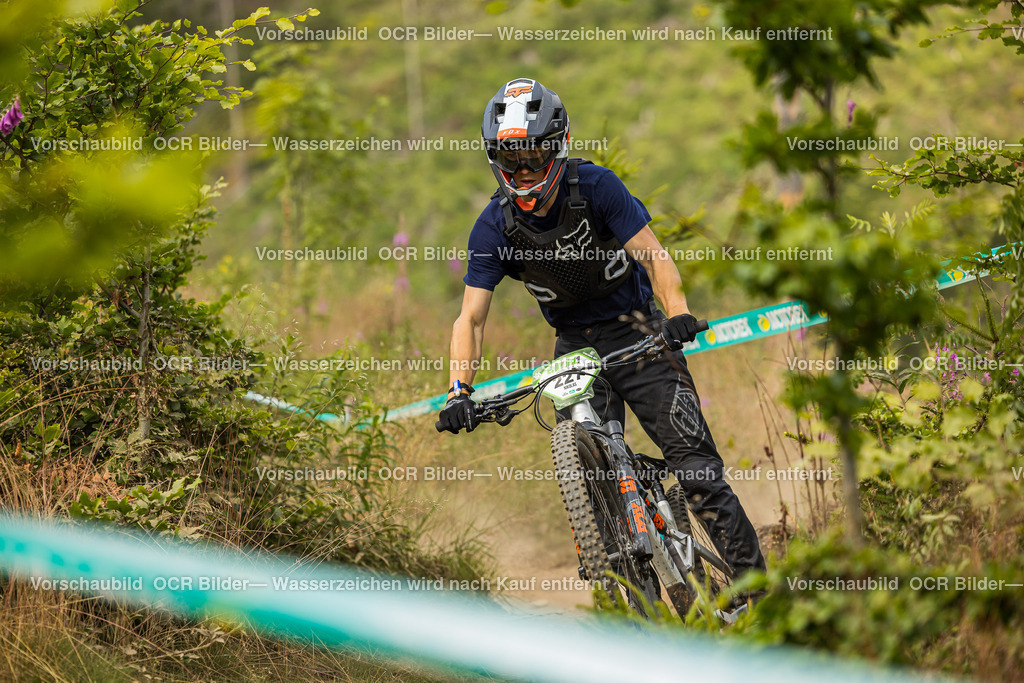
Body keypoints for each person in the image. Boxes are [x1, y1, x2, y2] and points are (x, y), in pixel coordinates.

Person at [437, 78, 766, 577]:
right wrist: (458, 390)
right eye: (510, 162)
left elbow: (654, 257)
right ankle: (628, 585)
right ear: (495, 162)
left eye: (533, 158)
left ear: (559, 147)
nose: (523, 173)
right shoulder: (494, 226)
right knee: (590, 482)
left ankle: (757, 598)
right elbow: (471, 317)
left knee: (698, 473)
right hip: (573, 349)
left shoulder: (596, 187)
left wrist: (676, 313)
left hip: (639, 333)